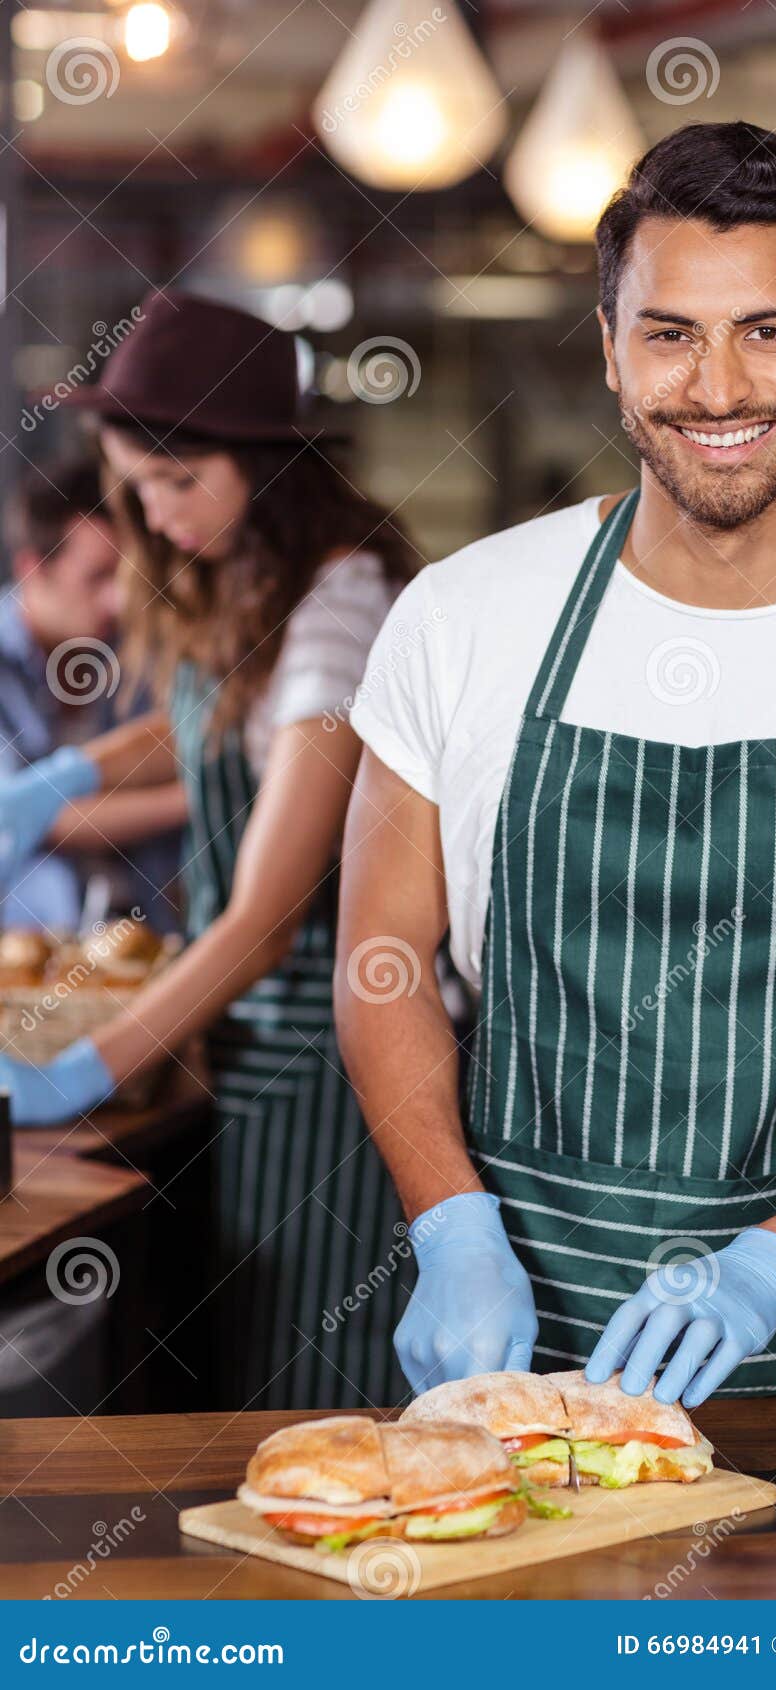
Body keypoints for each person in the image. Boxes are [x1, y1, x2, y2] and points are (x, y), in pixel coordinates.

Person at [334, 121, 776, 1405]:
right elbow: (380, 959)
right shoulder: (462, 619)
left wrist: (770, 1265)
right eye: (669, 333)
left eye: (766, 331)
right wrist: (449, 1225)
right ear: (609, 348)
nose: (716, 389)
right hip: (506, 1367)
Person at [0, 289, 419, 1410]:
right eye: (140, 486)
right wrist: (56, 783)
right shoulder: (245, 581)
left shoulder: (341, 603)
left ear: (266, 462)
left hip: (335, 1059)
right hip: (252, 1053)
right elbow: (206, 721)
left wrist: (77, 1075)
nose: (162, 511)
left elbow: (263, 916)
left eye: (182, 481)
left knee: (321, 1386)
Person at [0, 459, 183, 932]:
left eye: (123, 575)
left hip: (140, 932)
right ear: (32, 569)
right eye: (97, 576)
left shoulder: (130, 648)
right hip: (25, 951)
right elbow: (45, 819)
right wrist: (199, 795)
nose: (117, 600)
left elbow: (177, 737)